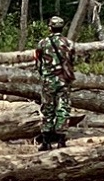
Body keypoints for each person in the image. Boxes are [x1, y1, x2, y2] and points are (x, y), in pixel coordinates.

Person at [35, 16, 75, 151]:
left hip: (48, 80)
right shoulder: (69, 43)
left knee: (47, 109)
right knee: (63, 108)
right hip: (64, 80)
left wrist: (44, 74)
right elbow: (71, 61)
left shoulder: (42, 43)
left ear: (50, 27)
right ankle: (61, 140)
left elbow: (38, 62)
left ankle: (46, 141)